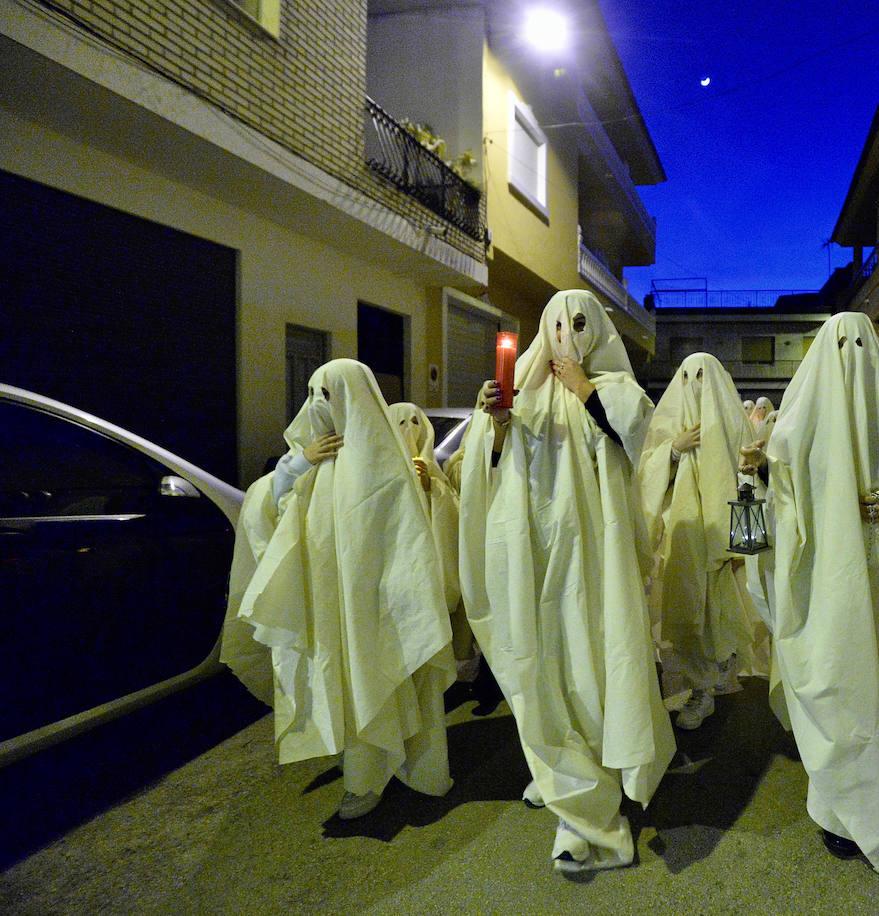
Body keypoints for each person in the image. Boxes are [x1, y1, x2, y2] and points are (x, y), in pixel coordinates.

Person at [458, 289, 674, 873]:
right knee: (547, 672)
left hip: (596, 567)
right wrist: (495, 425)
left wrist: (585, 388)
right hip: (538, 564)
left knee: (594, 672)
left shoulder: (616, 389)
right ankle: (566, 783)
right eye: (557, 324)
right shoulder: (525, 389)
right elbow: (492, 471)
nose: (567, 335)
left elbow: (639, 442)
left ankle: (594, 814)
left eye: (579, 324)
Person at [739, 312, 879, 872]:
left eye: (862, 344)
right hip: (826, 574)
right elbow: (777, 494)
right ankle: (837, 810)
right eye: (842, 345)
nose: (852, 357)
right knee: (839, 686)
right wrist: (758, 475)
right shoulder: (799, 425)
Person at [224, 359, 456, 819]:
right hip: (331, 601)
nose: (316, 406)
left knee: (386, 680)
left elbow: (408, 542)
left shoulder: (388, 468)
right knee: (347, 685)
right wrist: (297, 464)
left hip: (378, 607)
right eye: (311, 394)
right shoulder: (307, 464)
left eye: (326, 395)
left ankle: (398, 768)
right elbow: (264, 508)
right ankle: (363, 774)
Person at [639, 352, 764, 729]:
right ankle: (700, 685)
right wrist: (673, 451)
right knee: (686, 614)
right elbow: (644, 469)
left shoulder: (734, 424)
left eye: (703, 378)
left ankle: (712, 680)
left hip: (719, 540)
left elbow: (748, 481)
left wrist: (746, 543)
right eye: (689, 376)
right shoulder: (667, 423)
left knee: (720, 613)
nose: (696, 386)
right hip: (682, 535)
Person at [388, 402, 478, 683]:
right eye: (401, 424)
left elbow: (452, 510)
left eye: (416, 423)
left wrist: (430, 488)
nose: (410, 432)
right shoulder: (377, 466)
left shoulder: (432, 468)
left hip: (426, 567)